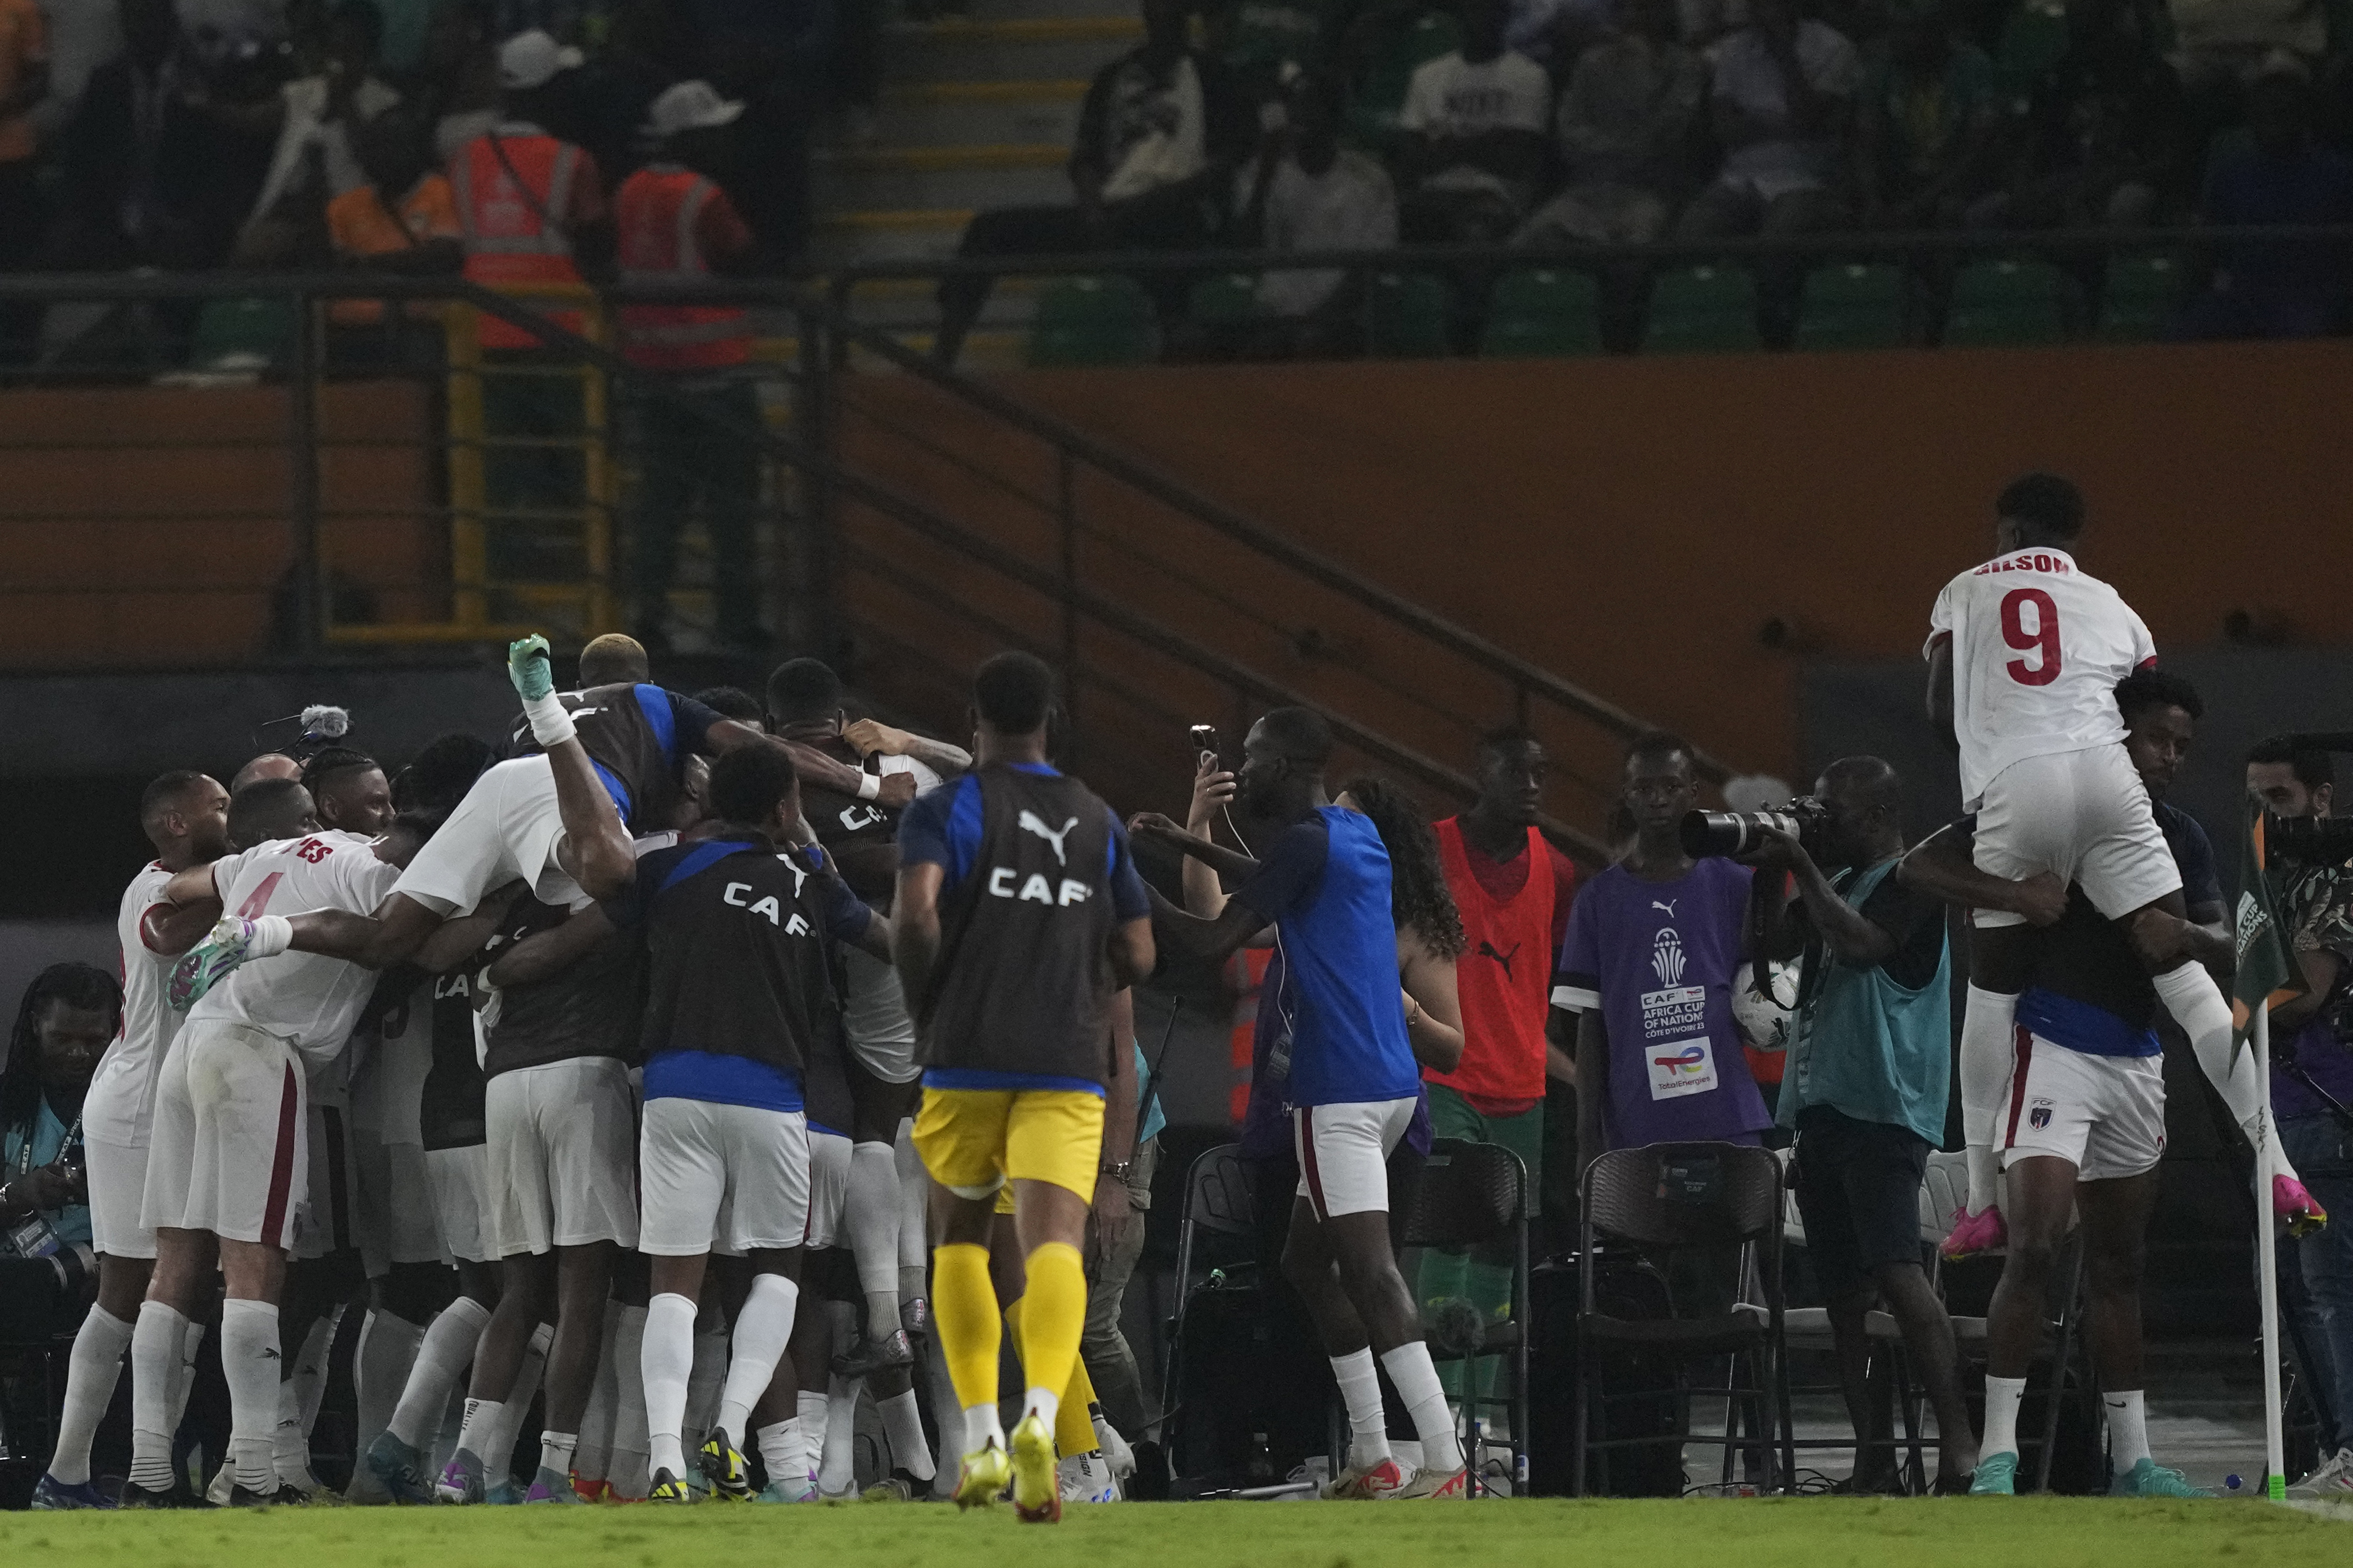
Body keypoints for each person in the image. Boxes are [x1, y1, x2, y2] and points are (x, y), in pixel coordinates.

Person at [1925, 473, 2318, 1261]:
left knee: (1991, 995)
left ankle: (1976, 1200)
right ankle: (2276, 1165)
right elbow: (2136, 709)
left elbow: (1939, 706)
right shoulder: (2117, 608)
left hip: (2017, 781)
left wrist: (1991, 785)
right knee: (2187, 982)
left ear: (2004, 531)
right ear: (2071, 540)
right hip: (2106, 782)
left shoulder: (1962, 591)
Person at [1900, 687, 2235, 1499]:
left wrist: (2184, 935)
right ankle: (1998, 1456)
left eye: (2181, 746)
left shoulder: (2178, 835)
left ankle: (2133, 1460)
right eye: (2155, 739)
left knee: (2118, 1266)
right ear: (2114, 733)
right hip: (2045, 1048)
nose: (2168, 757)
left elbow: (2224, 944)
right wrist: (2012, 895)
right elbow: (1920, 865)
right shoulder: (2040, 801)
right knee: (2035, 1248)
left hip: (2133, 1059)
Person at [171, 634, 911, 1000]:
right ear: (638, 678)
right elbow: (769, 752)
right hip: (570, 788)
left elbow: (434, 947)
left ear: (582, 682)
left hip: (505, 781)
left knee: (383, 941)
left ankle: (260, 936)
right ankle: (555, 730)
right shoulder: (655, 704)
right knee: (620, 874)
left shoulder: (508, 741)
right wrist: (874, 792)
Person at [1143, 709, 1472, 1500]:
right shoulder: (1351, 836)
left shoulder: (1301, 844)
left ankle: (1442, 1458)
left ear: (1286, 765)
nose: (1242, 770)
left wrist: (1122, 888)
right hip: (1391, 1089)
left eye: (1253, 759)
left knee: (1367, 1272)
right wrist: (1189, 841)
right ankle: (1369, 1452)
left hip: (1337, 1096)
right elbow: (1281, 879)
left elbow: (1210, 941)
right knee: (1303, 1261)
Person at [567, 744, 889, 1503]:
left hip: (674, 1090)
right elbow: (887, 941)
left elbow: (595, 913)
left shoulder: (664, 869)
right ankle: (732, 1429)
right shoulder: (813, 884)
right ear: (785, 806)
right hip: (774, 1096)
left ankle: (665, 1462)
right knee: (776, 1272)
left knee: (673, 1284)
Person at [891, 652, 1155, 1520]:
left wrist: (928, 992)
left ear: (976, 721)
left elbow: (918, 912)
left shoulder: (946, 808)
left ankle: (981, 1437)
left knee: (962, 1246)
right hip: (1065, 1066)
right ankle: (1048, 1418)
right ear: (1048, 720)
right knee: (1051, 1249)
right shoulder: (1095, 819)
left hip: (966, 1057)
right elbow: (1141, 955)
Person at [128, 780, 420, 1507]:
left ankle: (148, 1470)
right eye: (376, 801)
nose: (384, 816)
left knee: (174, 1267)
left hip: (190, 1046)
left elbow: (177, 889)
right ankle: (256, 1470)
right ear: (328, 812)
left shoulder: (255, 859)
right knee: (254, 1266)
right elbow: (397, 921)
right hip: (262, 1056)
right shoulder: (360, 861)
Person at [1749, 758, 1973, 1493]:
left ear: (1875, 817)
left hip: (1883, 1108)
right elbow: (1769, 950)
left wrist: (1800, 862)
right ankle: (1872, 1457)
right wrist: (1765, 863)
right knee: (1845, 1295)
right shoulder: (1835, 882)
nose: (1816, 823)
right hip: (1820, 1107)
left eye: (1828, 812)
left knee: (1896, 1273)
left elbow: (1860, 945)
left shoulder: (1912, 882)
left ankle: (1959, 1449)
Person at [764, 658, 969, 1386]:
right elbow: (975, 771)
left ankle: (886, 1315)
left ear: (774, 720)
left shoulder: (782, 776)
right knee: (910, 1114)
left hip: (873, 944)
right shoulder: (893, 758)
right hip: (947, 937)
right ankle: (912, 1296)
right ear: (839, 709)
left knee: (872, 1124)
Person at [30, 774, 229, 1510]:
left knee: (184, 1290)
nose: (230, 819)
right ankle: (73, 1472)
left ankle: (133, 1470)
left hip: (168, 1094)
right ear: (176, 824)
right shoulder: (161, 892)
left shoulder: (182, 878)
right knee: (134, 1289)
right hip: (144, 1100)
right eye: (219, 808)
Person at [933, 0, 1250, 368]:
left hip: (1181, 213)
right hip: (1110, 211)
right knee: (989, 230)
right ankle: (942, 357)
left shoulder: (1216, 78)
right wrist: (1092, 210)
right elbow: (1084, 157)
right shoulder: (1113, 77)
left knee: (1173, 232)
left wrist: (1155, 201)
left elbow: (1227, 162)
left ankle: (1174, 357)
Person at [1412, 726, 1574, 1406]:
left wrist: (1564, 1066)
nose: (1533, 784)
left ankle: (1484, 1418)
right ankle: (1435, 1415)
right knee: (1448, 1237)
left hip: (1522, 1086)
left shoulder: (1558, 870)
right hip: (1447, 1075)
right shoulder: (1429, 848)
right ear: (1482, 770)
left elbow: (1558, 986)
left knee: (1502, 1251)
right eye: (1518, 771)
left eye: (1542, 772)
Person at [1553, 731, 1772, 1164]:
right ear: (1626, 795)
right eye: (1644, 788)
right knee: (1646, 1233)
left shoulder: (1732, 883)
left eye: (1670, 787)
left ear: (1693, 792)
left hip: (1726, 1112)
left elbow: (1767, 984)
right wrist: (1586, 1136)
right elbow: (1589, 1025)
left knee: (1731, 1231)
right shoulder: (1597, 900)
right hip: (1636, 1122)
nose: (1657, 800)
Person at [614, 79, 769, 655]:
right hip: (718, 374)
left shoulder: (629, 190)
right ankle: (738, 621)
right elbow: (742, 256)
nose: (725, 143)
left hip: (654, 372)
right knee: (732, 511)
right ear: (692, 137)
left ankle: (647, 616)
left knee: (660, 508)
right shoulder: (703, 195)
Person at [2246, 737, 2353, 1498]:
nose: (2263, 817)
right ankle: (2334, 1451)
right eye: (2253, 801)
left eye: (2277, 800)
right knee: (2294, 1292)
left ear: (2320, 798)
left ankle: (2348, 1454)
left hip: (2325, 1103)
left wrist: (2227, 1003)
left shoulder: (2334, 880)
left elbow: (2309, 994)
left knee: (2325, 1289)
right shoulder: (2274, 881)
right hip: (2282, 1109)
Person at [1673, 0, 1859, 348]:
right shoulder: (1734, 49)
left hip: (1805, 177)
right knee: (1690, 235)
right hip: (1740, 176)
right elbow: (1725, 129)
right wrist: (1782, 124)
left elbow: (1808, 121)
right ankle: (1707, 341)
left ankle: (1774, 342)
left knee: (1777, 241)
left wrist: (1785, 53)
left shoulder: (1834, 47)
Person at [1214, 70, 1396, 359]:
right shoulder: (1260, 172)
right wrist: (1265, 175)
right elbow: (1244, 252)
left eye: (1312, 105)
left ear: (1335, 117)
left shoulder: (1372, 180)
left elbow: (1370, 270)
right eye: (1295, 106)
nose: (1299, 116)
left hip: (1340, 321)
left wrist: (1316, 322)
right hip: (1272, 316)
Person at [2176, 63, 2353, 341]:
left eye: (2282, 111)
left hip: (2312, 299)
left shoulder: (2340, 176)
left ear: (2302, 115)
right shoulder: (2231, 175)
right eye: (2265, 111)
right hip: (2243, 297)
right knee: (2186, 333)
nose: (2273, 118)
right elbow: (2208, 246)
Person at [1515, 0, 1703, 258]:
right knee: (1524, 245)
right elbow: (1570, 132)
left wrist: (1642, 68)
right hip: (1587, 190)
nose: (1637, 16)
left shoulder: (1684, 66)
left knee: (1637, 251)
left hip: (1650, 192)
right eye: (1629, 8)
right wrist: (1618, 149)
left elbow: (1665, 134)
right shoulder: (1591, 63)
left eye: (1646, 8)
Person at [1392, 0, 1551, 245]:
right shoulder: (1427, 75)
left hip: (1496, 197)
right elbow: (1411, 156)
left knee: (1476, 226)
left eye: (1490, 9)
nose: (1482, 17)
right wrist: (1488, 141)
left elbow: (1514, 158)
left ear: (1504, 15)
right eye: (1475, 8)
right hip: (1432, 196)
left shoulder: (1529, 76)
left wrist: (1446, 145)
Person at [0, 964, 120, 1273]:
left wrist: (110, 1195)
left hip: (108, 1275)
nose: (78, 1053)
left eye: (95, 1041)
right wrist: (19, 1195)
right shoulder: (8, 1100)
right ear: (36, 1025)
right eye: (62, 1039)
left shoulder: (136, 1109)